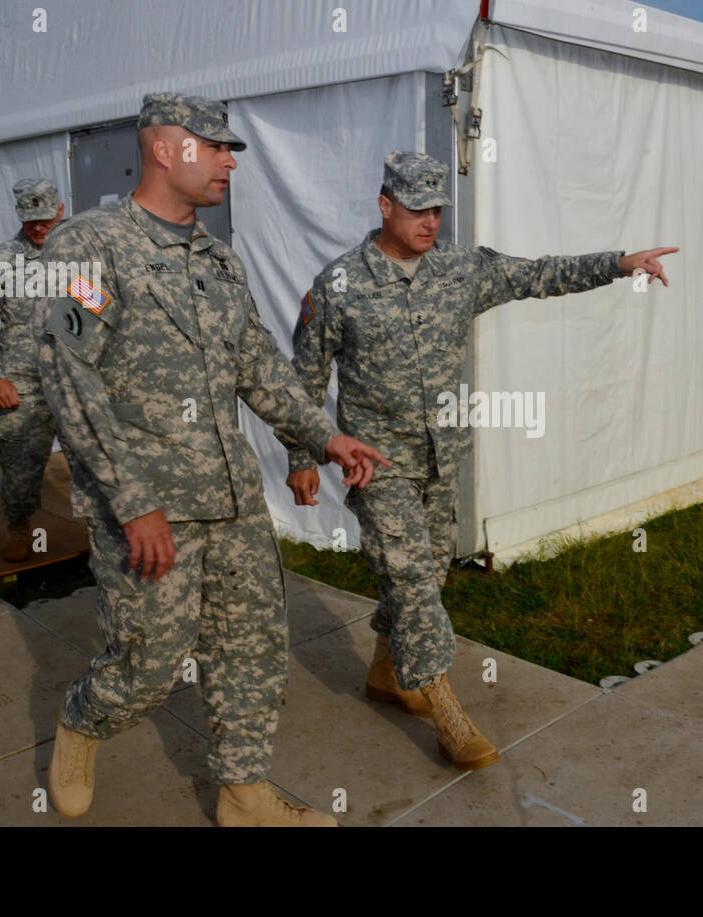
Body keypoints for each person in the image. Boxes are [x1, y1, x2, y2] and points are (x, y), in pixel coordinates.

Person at [36, 92, 389, 827]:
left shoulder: (217, 261)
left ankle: (244, 792)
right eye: (217, 146)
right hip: (147, 507)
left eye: (232, 149)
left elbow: (258, 366)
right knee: (148, 667)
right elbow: (72, 380)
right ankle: (82, 720)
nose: (231, 160)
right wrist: (133, 502)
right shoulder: (87, 246)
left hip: (229, 500)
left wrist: (324, 437)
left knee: (254, 646)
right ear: (166, 149)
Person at [284, 151, 677, 771]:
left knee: (428, 574)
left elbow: (538, 274)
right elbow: (304, 375)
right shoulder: (339, 285)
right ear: (385, 206)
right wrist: (302, 455)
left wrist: (619, 263)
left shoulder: (462, 269)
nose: (429, 222)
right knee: (413, 580)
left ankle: (387, 672)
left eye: (437, 209)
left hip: (443, 457)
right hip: (376, 463)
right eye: (416, 209)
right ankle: (446, 710)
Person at [0, 178, 65, 562]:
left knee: (95, 463)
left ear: (60, 211)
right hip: (21, 386)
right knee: (20, 471)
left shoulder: (77, 256)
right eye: (30, 219)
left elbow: (98, 311)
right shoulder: (2, 261)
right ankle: (21, 530)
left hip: (73, 383)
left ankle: (105, 535)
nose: (38, 227)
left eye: (45, 218)